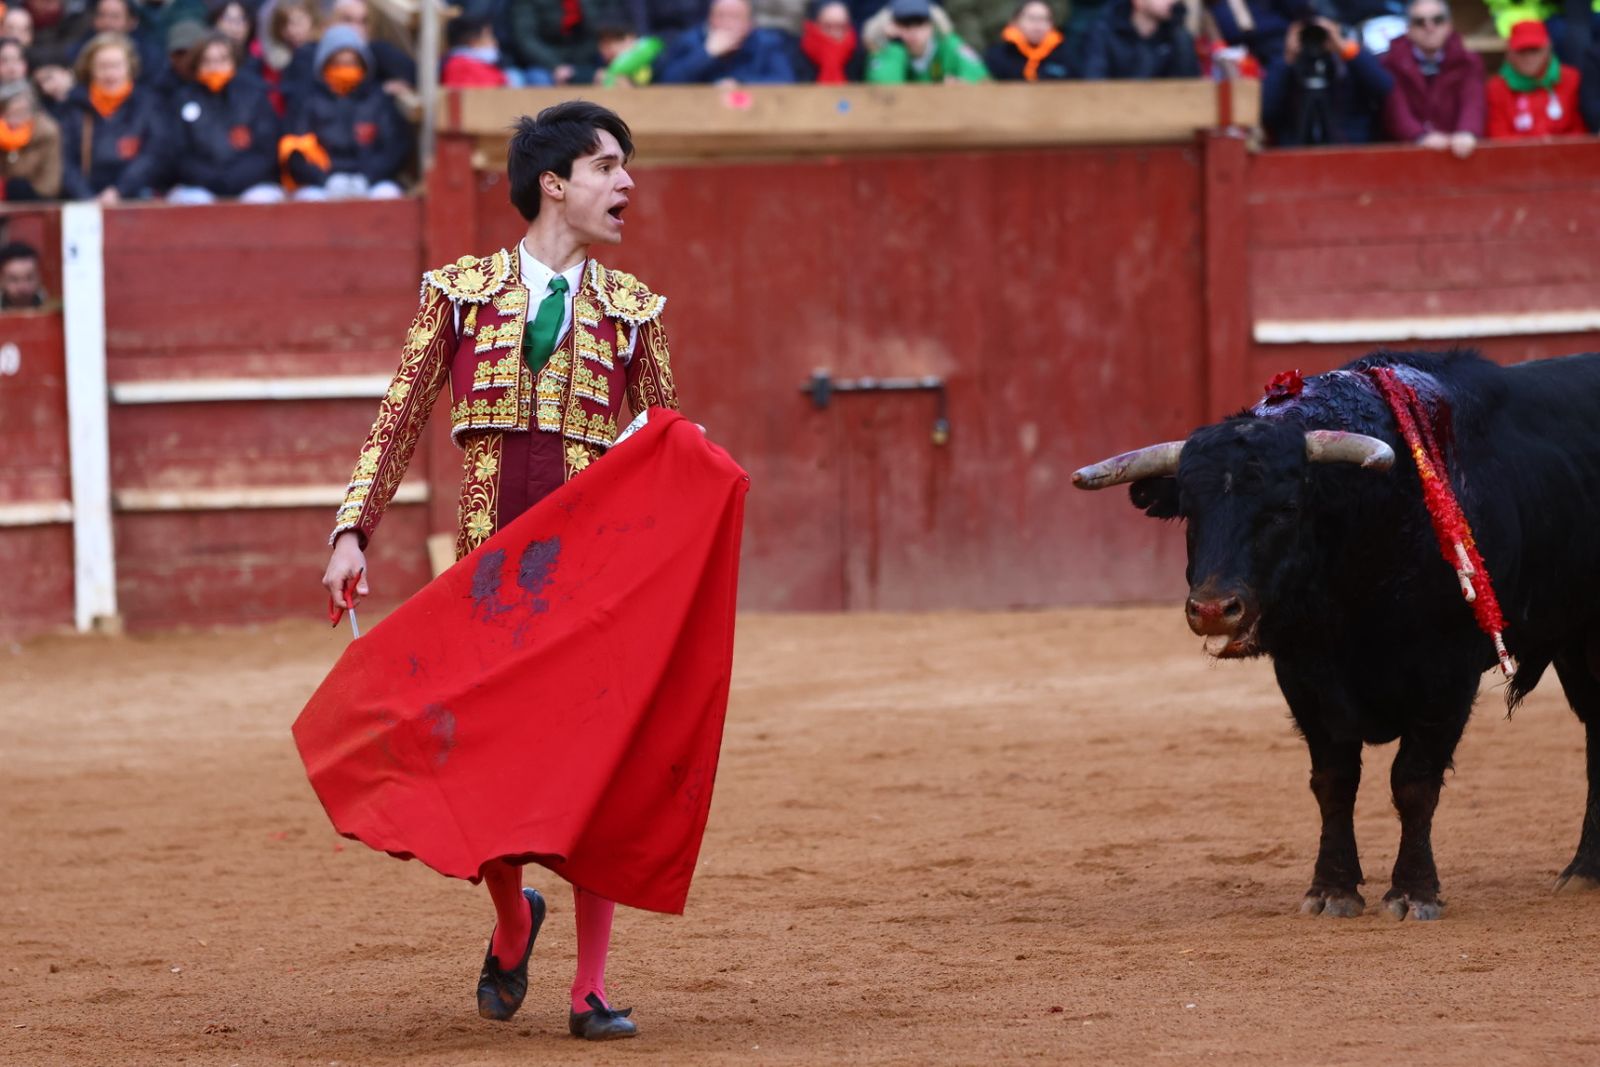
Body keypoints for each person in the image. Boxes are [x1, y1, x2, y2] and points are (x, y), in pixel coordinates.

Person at [319, 101, 686, 1043]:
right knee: (483, 763)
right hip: (489, 581)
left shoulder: (635, 313)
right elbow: (398, 415)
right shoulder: (462, 293)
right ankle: (515, 916)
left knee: (597, 775)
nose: (627, 183)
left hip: (593, 588)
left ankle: (591, 986)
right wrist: (352, 529)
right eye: (608, 166)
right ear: (554, 183)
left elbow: (669, 454)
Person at [279, 24, 408, 199]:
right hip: (322, 183)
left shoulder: (377, 99)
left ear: (363, 65)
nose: (345, 69)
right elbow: (295, 149)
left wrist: (368, 177)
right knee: (309, 199)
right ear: (325, 65)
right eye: (338, 63)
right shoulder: (308, 101)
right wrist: (324, 179)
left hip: (369, 181)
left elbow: (393, 147)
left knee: (388, 195)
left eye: (351, 63)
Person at [165, 31, 283, 202]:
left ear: (234, 62)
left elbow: (267, 150)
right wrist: (212, 179)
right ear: (197, 64)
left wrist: (235, 178)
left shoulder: (254, 95)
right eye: (207, 61)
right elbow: (178, 153)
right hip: (200, 186)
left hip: (251, 184)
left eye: (222, 60)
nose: (215, 67)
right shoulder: (183, 99)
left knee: (262, 200)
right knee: (194, 201)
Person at [60, 31, 169, 201]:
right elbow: (64, 161)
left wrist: (119, 190)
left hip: (135, 195)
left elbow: (153, 154)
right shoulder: (75, 105)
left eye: (117, 66)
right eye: (103, 66)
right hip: (85, 199)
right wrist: (86, 196)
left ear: (129, 67)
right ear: (90, 69)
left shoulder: (147, 103)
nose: (110, 74)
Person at [1261, 15, 1393, 144]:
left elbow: (1383, 87)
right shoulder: (1286, 66)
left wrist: (1344, 48)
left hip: (1349, 149)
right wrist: (1287, 60)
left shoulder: (1348, 64)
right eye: (1307, 34)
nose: (1315, 39)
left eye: (1321, 33)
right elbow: (1266, 109)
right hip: (1296, 150)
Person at [1379, 0, 1484, 153]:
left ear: (1449, 25)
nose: (1430, 27)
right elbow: (1395, 109)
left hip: (1457, 152)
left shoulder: (1468, 61)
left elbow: (1473, 101)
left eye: (1438, 20)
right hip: (1406, 154)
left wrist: (1467, 132)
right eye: (1419, 22)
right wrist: (1419, 136)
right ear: (1408, 29)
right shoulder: (1391, 62)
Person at [656, 0, 798, 82]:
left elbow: (785, 80)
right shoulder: (690, 41)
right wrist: (706, 54)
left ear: (750, 24)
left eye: (735, 17)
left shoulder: (767, 43)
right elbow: (667, 81)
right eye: (720, 16)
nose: (726, 23)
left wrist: (739, 83)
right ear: (710, 19)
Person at [1485, 18, 1582, 135]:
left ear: (1548, 49)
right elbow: (1498, 136)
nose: (1529, 58)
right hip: (1518, 154)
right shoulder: (1496, 88)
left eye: (1534, 50)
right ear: (1509, 53)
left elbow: (1580, 131)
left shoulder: (1571, 79)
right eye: (1522, 51)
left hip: (1567, 153)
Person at [864, 0, 988, 82]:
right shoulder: (885, 52)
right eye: (904, 23)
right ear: (891, 26)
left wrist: (961, 85)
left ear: (931, 25)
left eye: (919, 22)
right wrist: (895, 46)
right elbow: (884, 93)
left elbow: (982, 80)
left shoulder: (947, 46)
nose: (913, 30)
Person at [1079, 0, 1200, 78]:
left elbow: (1188, 86)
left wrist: (1179, 34)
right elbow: (1093, 85)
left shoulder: (1176, 36)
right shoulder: (1103, 32)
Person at [0, 80, 62, 197]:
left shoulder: (46, 132)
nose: (16, 119)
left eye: (22, 112)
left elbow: (50, 179)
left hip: (36, 198)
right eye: (11, 113)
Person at [984, 0, 1071, 79]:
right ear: (1015, 21)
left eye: (1044, 19)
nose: (1037, 26)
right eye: (1031, 19)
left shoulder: (1065, 55)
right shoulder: (998, 55)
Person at [797, 0, 862, 81]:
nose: (834, 33)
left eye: (841, 26)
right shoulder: (801, 51)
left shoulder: (857, 53)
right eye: (828, 26)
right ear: (815, 26)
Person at [440, 13, 508, 86]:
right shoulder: (459, 66)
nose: (494, 41)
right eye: (488, 36)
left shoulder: (481, 64)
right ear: (473, 41)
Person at [0, 240, 46, 308]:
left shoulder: (57, 312)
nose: (22, 288)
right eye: (14, 279)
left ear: (39, 277)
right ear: (1, 280)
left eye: (29, 278)